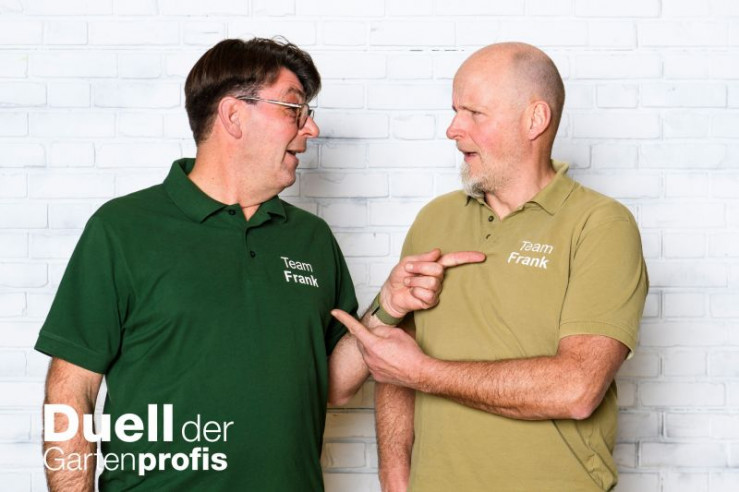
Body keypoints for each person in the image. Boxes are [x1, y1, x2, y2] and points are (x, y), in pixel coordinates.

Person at [35, 37, 484, 491]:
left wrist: (387, 306)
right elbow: (71, 390)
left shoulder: (311, 238)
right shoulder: (123, 229)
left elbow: (333, 386)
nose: (311, 128)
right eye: (293, 109)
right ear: (233, 115)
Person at [333, 42, 649, 492]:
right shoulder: (434, 220)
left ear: (534, 120)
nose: (452, 129)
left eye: (474, 113)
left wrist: (423, 372)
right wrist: (395, 476)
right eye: (454, 111)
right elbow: (394, 363)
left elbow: (576, 388)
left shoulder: (599, 225)